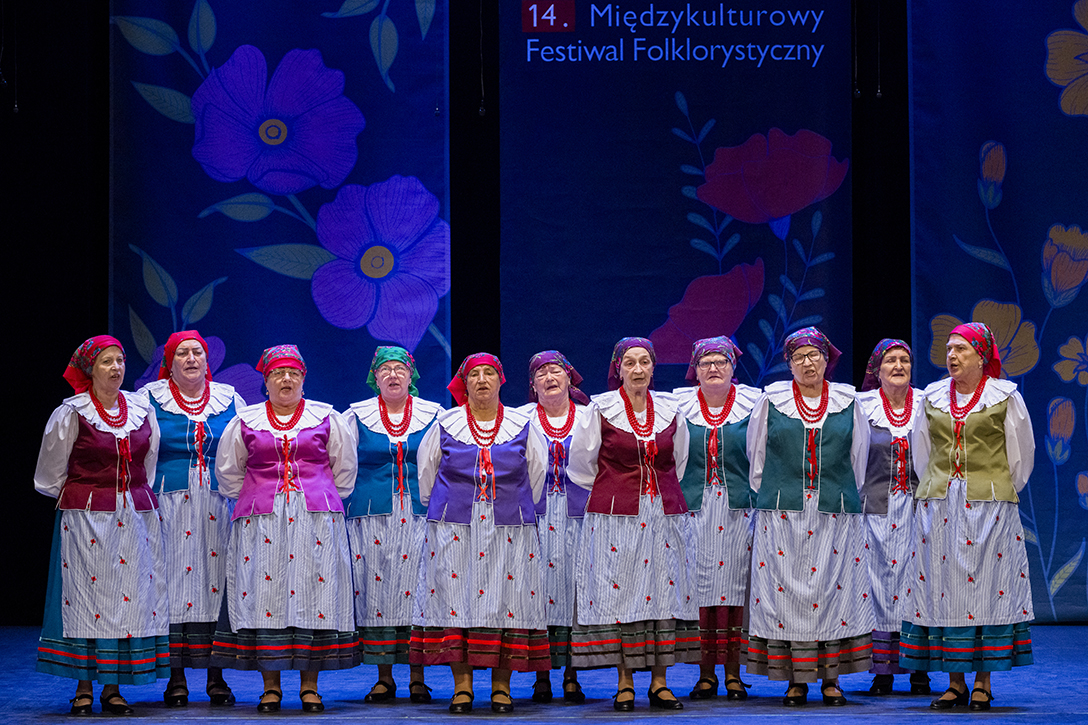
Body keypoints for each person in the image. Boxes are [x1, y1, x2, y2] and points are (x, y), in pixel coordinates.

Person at [211, 345, 359, 713]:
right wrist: (261, 494)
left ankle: (310, 687)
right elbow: (229, 475)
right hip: (261, 521)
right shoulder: (245, 421)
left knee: (315, 594)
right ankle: (271, 687)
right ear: (266, 382)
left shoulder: (327, 417)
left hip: (315, 519)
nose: (286, 379)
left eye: (293, 373)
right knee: (266, 596)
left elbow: (344, 471)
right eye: (278, 373)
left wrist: (317, 494)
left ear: (303, 379)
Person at [902, 322, 1035, 711]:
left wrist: (993, 487)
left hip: (989, 506)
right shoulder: (932, 397)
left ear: (981, 356)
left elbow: (1020, 457)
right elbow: (921, 451)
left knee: (988, 589)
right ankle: (955, 682)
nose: (952, 355)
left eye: (961, 349)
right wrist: (941, 485)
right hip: (941, 506)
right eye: (949, 349)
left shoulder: (1004, 397)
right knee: (943, 589)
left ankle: (982, 682)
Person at [34, 336, 168, 715]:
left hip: (135, 517)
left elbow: (149, 462)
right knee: (87, 598)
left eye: (120, 360)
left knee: (128, 597)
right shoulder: (71, 413)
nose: (116, 368)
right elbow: (50, 475)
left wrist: (128, 496)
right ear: (90, 370)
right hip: (87, 519)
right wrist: (90, 494)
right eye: (106, 361)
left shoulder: (142, 410)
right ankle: (82, 687)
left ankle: (113, 687)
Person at [410, 353, 549, 714]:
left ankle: (502, 687)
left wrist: (512, 503)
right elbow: (427, 473)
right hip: (455, 526)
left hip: (509, 527)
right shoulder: (446, 423)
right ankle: (463, 687)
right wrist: (450, 504)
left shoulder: (521, 424)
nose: (482, 380)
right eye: (474, 375)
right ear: (464, 383)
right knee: (456, 599)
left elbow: (537, 473)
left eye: (489, 373)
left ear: (501, 381)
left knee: (508, 600)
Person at [566, 337, 697, 711]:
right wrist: (616, 489)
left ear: (653, 368)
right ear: (618, 369)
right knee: (621, 593)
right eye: (629, 363)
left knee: (663, 590)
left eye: (644, 362)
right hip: (616, 518)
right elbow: (582, 465)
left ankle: (660, 683)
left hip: (663, 515)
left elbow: (679, 461)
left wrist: (653, 493)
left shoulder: (670, 410)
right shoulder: (602, 409)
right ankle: (624, 682)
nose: (637, 369)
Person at [746, 327, 874, 706]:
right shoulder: (772, 401)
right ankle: (795, 679)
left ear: (826, 359)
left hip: (834, 512)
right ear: (789, 364)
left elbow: (859, 459)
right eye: (798, 357)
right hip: (783, 514)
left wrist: (836, 491)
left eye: (814, 355)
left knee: (834, 591)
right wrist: (780, 491)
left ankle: (832, 678)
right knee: (787, 595)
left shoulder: (848, 402)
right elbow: (757, 458)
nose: (807, 363)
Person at [138, 331, 246, 708]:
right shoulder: (150, 399)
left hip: (217, 505)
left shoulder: (228, 398)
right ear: (169, 363)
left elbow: (242, 450)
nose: (191, 358)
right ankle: (176, 677)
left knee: (216, 581)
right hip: (168, 504)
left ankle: (216, 675)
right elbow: (142, 453)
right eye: (182, 353)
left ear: (206, 359)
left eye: (197, 352)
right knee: (171, 581)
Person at [342, 347, 443, 704]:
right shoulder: (355, 417)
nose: (393, 374)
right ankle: (384, 677)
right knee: (377, 591)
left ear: (411, 375)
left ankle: (418, 677)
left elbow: (441, 463)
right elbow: (342, 462)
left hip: (419, 513)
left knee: (419, 587)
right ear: (375, 378)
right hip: (372, 516)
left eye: (400, 368)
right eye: (385, 369)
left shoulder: (434, 415)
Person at [673, 337, 761, 701]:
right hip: (695, 509)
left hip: (738, 510)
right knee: (700, 588)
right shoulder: (679, 406)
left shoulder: (753, 404)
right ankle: (705, 673)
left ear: (733, 367)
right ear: (695, 370)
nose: (713, 368)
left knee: (736, 588)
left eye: (721, 362)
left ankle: (734, 673)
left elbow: (760, 454)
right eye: (706, 362)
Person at [516, 351, 592, 704]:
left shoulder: (589, 418)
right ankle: (542, 675)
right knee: (539, 588)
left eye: (556, 371)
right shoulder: (521, 420)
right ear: (533, 384)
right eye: (541, 373)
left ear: (569, 377)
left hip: (579, 515)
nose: (549, 377)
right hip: (537, 515)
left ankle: (572, 674)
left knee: (576, 587)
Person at [856, 339, 930, 695]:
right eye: (890, 360)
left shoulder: (927, 405)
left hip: (918, 510)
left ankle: (919, 669)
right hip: (876, 510)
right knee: (879, 586)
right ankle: (882, 670)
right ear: (877, 369)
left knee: (918, 584)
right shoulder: (863, 406)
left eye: (904, 360)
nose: (898, 366)